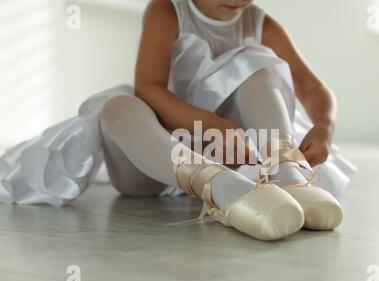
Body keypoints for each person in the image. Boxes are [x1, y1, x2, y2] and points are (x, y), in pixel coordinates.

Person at [0, 0, 357, 241]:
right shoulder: (168, 9)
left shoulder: (260, 22)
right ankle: (221, 189)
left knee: (259, 65)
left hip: (233, 155)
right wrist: (208, 123)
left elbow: (312, 87)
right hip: (156, 159)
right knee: (117, 107)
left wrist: (324, 126)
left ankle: (287, 176)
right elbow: (150, 87)